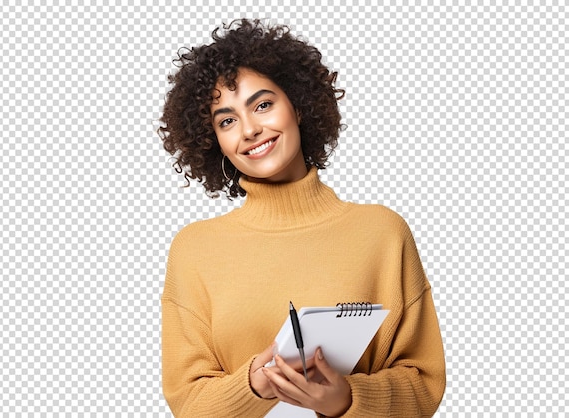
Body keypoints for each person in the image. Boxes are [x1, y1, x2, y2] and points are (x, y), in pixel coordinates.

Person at [158, 19, 446, 417]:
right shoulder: (195, 249)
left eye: (263, 105)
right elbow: (188, 403)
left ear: (297, 104)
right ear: (214, 142)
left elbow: (424, 383)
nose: (250, 130)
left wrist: (347, 400)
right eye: (226, 120)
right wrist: (255, 387)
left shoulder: (382, 233)